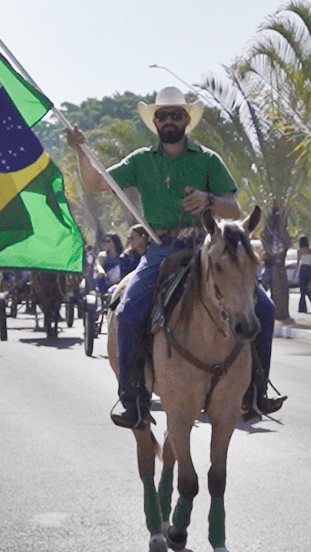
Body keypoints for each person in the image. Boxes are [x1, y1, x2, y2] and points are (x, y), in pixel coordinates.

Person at [65, 86, 281, 428]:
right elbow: (97, 184)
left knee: (264, 309)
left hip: (207, 247)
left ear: (186, 121)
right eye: (162, 115)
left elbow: (234, 207)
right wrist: (79, 150)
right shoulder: (140, 160)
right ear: (155, 122)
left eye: (176, 114)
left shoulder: (208, 160)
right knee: (130, 306)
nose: (169, 120)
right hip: (161, 249)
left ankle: (256, 392)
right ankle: (133, 397)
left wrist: (208, 199)